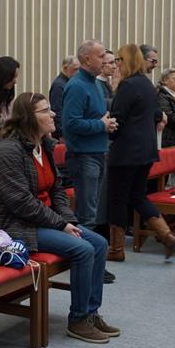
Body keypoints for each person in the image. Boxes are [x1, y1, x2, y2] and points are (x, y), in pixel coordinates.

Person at [0, 92, 116, 344]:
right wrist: (61, 224)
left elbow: (57, 189)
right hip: (17, 225)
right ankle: (78, 320)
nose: (53, 114)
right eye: (45, 111)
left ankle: (91, 313)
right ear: (28, 118)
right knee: (83, 249)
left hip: (44, 220)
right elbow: (21, 203)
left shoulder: (43, 145)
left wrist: (69, 221)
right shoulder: (8, 152)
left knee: (99, 243)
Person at [106, 44, 175, 261]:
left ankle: (116, 250)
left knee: (117, 199)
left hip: (126, 152)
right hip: (146, 150)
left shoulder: (127, 85)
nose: (117, 64)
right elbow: (154, 114)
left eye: (119, 60)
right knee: (137, 196)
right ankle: (166, 235)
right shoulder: (146, 83)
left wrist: (109, 130)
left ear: (126, 61)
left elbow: (117, 118)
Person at [61, 40, 118, 229]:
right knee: (87, 215)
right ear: (87, 59)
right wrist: (101, 125)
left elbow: (96, 118)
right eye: (101, 56)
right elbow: (71, 123)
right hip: (84, 156)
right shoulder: (77, 86)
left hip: (98, 152)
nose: (105, 60)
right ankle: (85, 247)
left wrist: (106, 125)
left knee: (93, 212)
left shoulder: (95, 84)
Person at [48, 56, 79, 141]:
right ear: (65, 68)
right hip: (62, 133)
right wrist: (62, 133)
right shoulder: (59, 85)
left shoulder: (68, 83)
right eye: (75, 69)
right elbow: (57, 110)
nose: (78, 72)